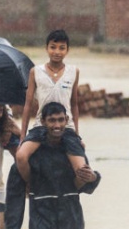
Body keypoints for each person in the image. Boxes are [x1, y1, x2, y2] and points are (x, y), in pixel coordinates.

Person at [8, 102, 101, 229]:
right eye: (52, 120)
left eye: (60, 120)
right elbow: (14, 195)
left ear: (66, 120)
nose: (57, 125)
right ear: (43, 122)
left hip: (70, 214)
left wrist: (93, 178)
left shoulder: (73, 149)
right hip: (42, 216)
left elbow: (86, 181)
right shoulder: (31, 157)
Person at [18, 29, 87, 188]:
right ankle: (31, 185)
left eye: (62, 48)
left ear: (67, 50)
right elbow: (28, 105)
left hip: (66, 127)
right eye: (53, 47)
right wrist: (22, 136)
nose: (57, 52)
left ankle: (71, 191)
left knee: (83, 167)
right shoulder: (35, 72)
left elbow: (74, 104)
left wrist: (76, 133)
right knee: (21, 156)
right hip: (41, 126)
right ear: (46, 48)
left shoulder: (73, 72)